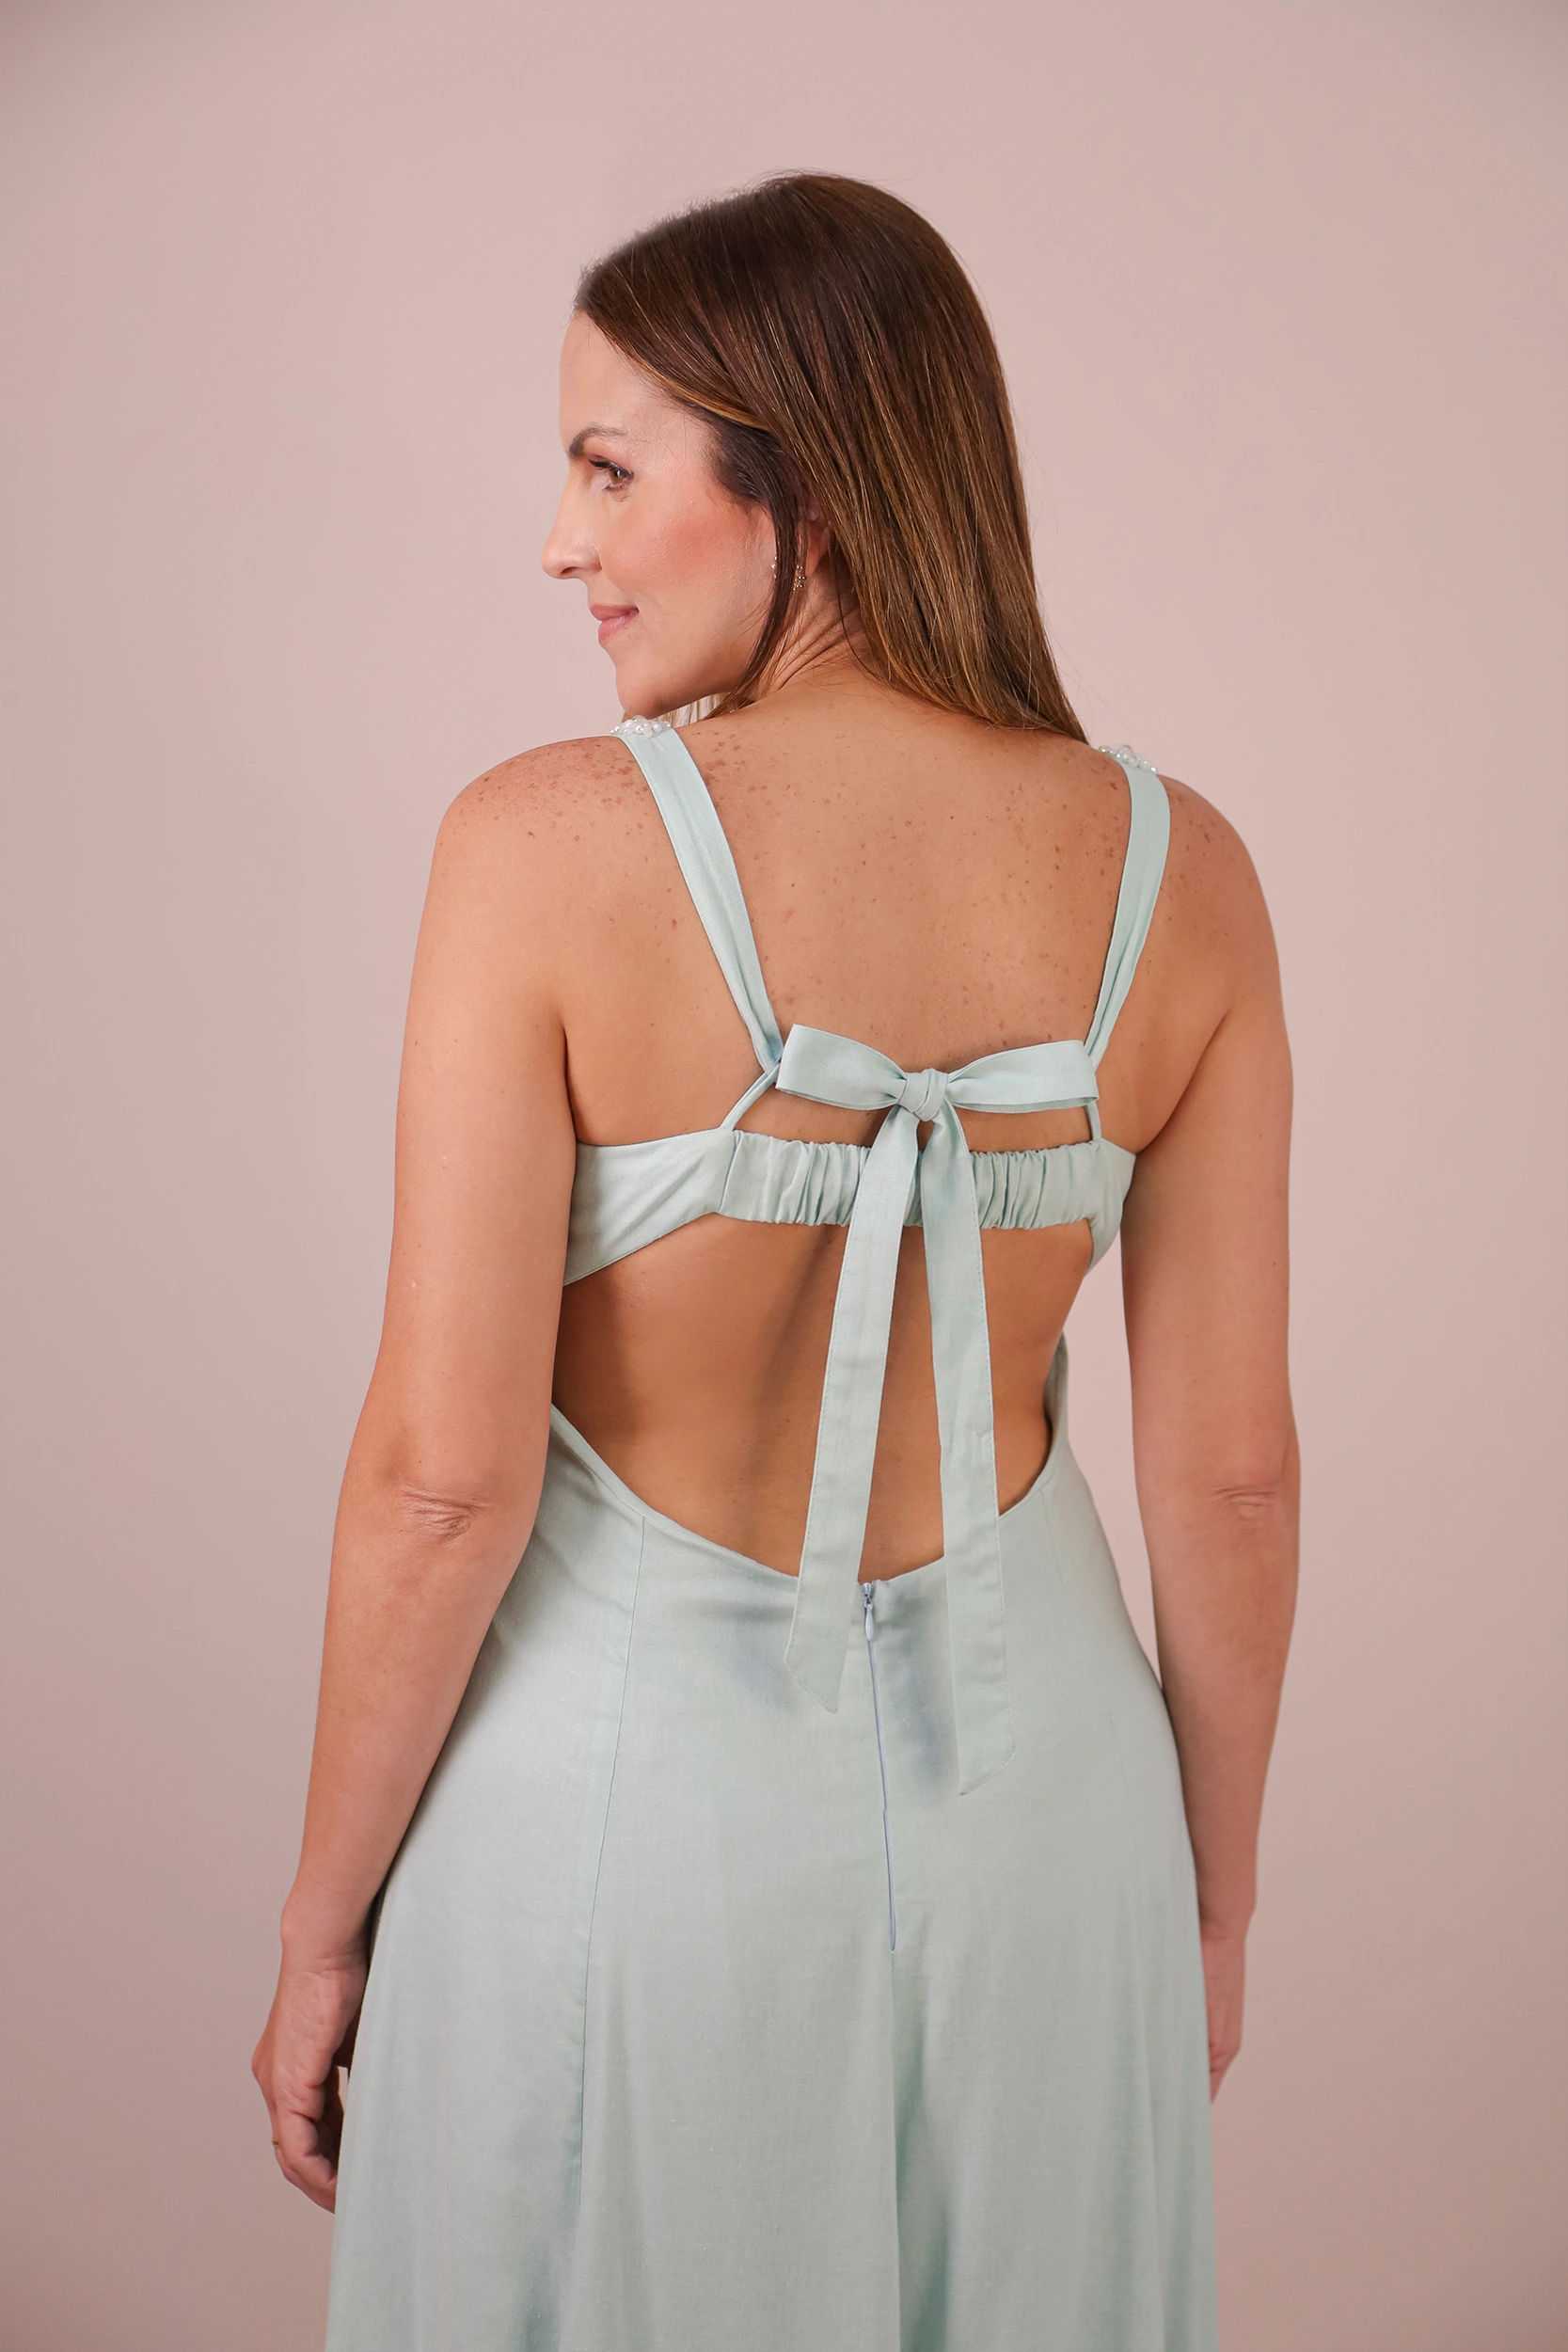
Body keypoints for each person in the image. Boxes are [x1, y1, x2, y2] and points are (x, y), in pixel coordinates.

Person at [253, 172, 1297, 2352]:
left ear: (797, 488)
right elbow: (1227, 1480)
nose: (562, 544)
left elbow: (440, 1482)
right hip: (1052, 1837)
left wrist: (323, 1922)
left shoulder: (539, 845)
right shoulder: (1181, 873)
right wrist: (1202, 1901)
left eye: (606, 471)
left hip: (618, 1834)